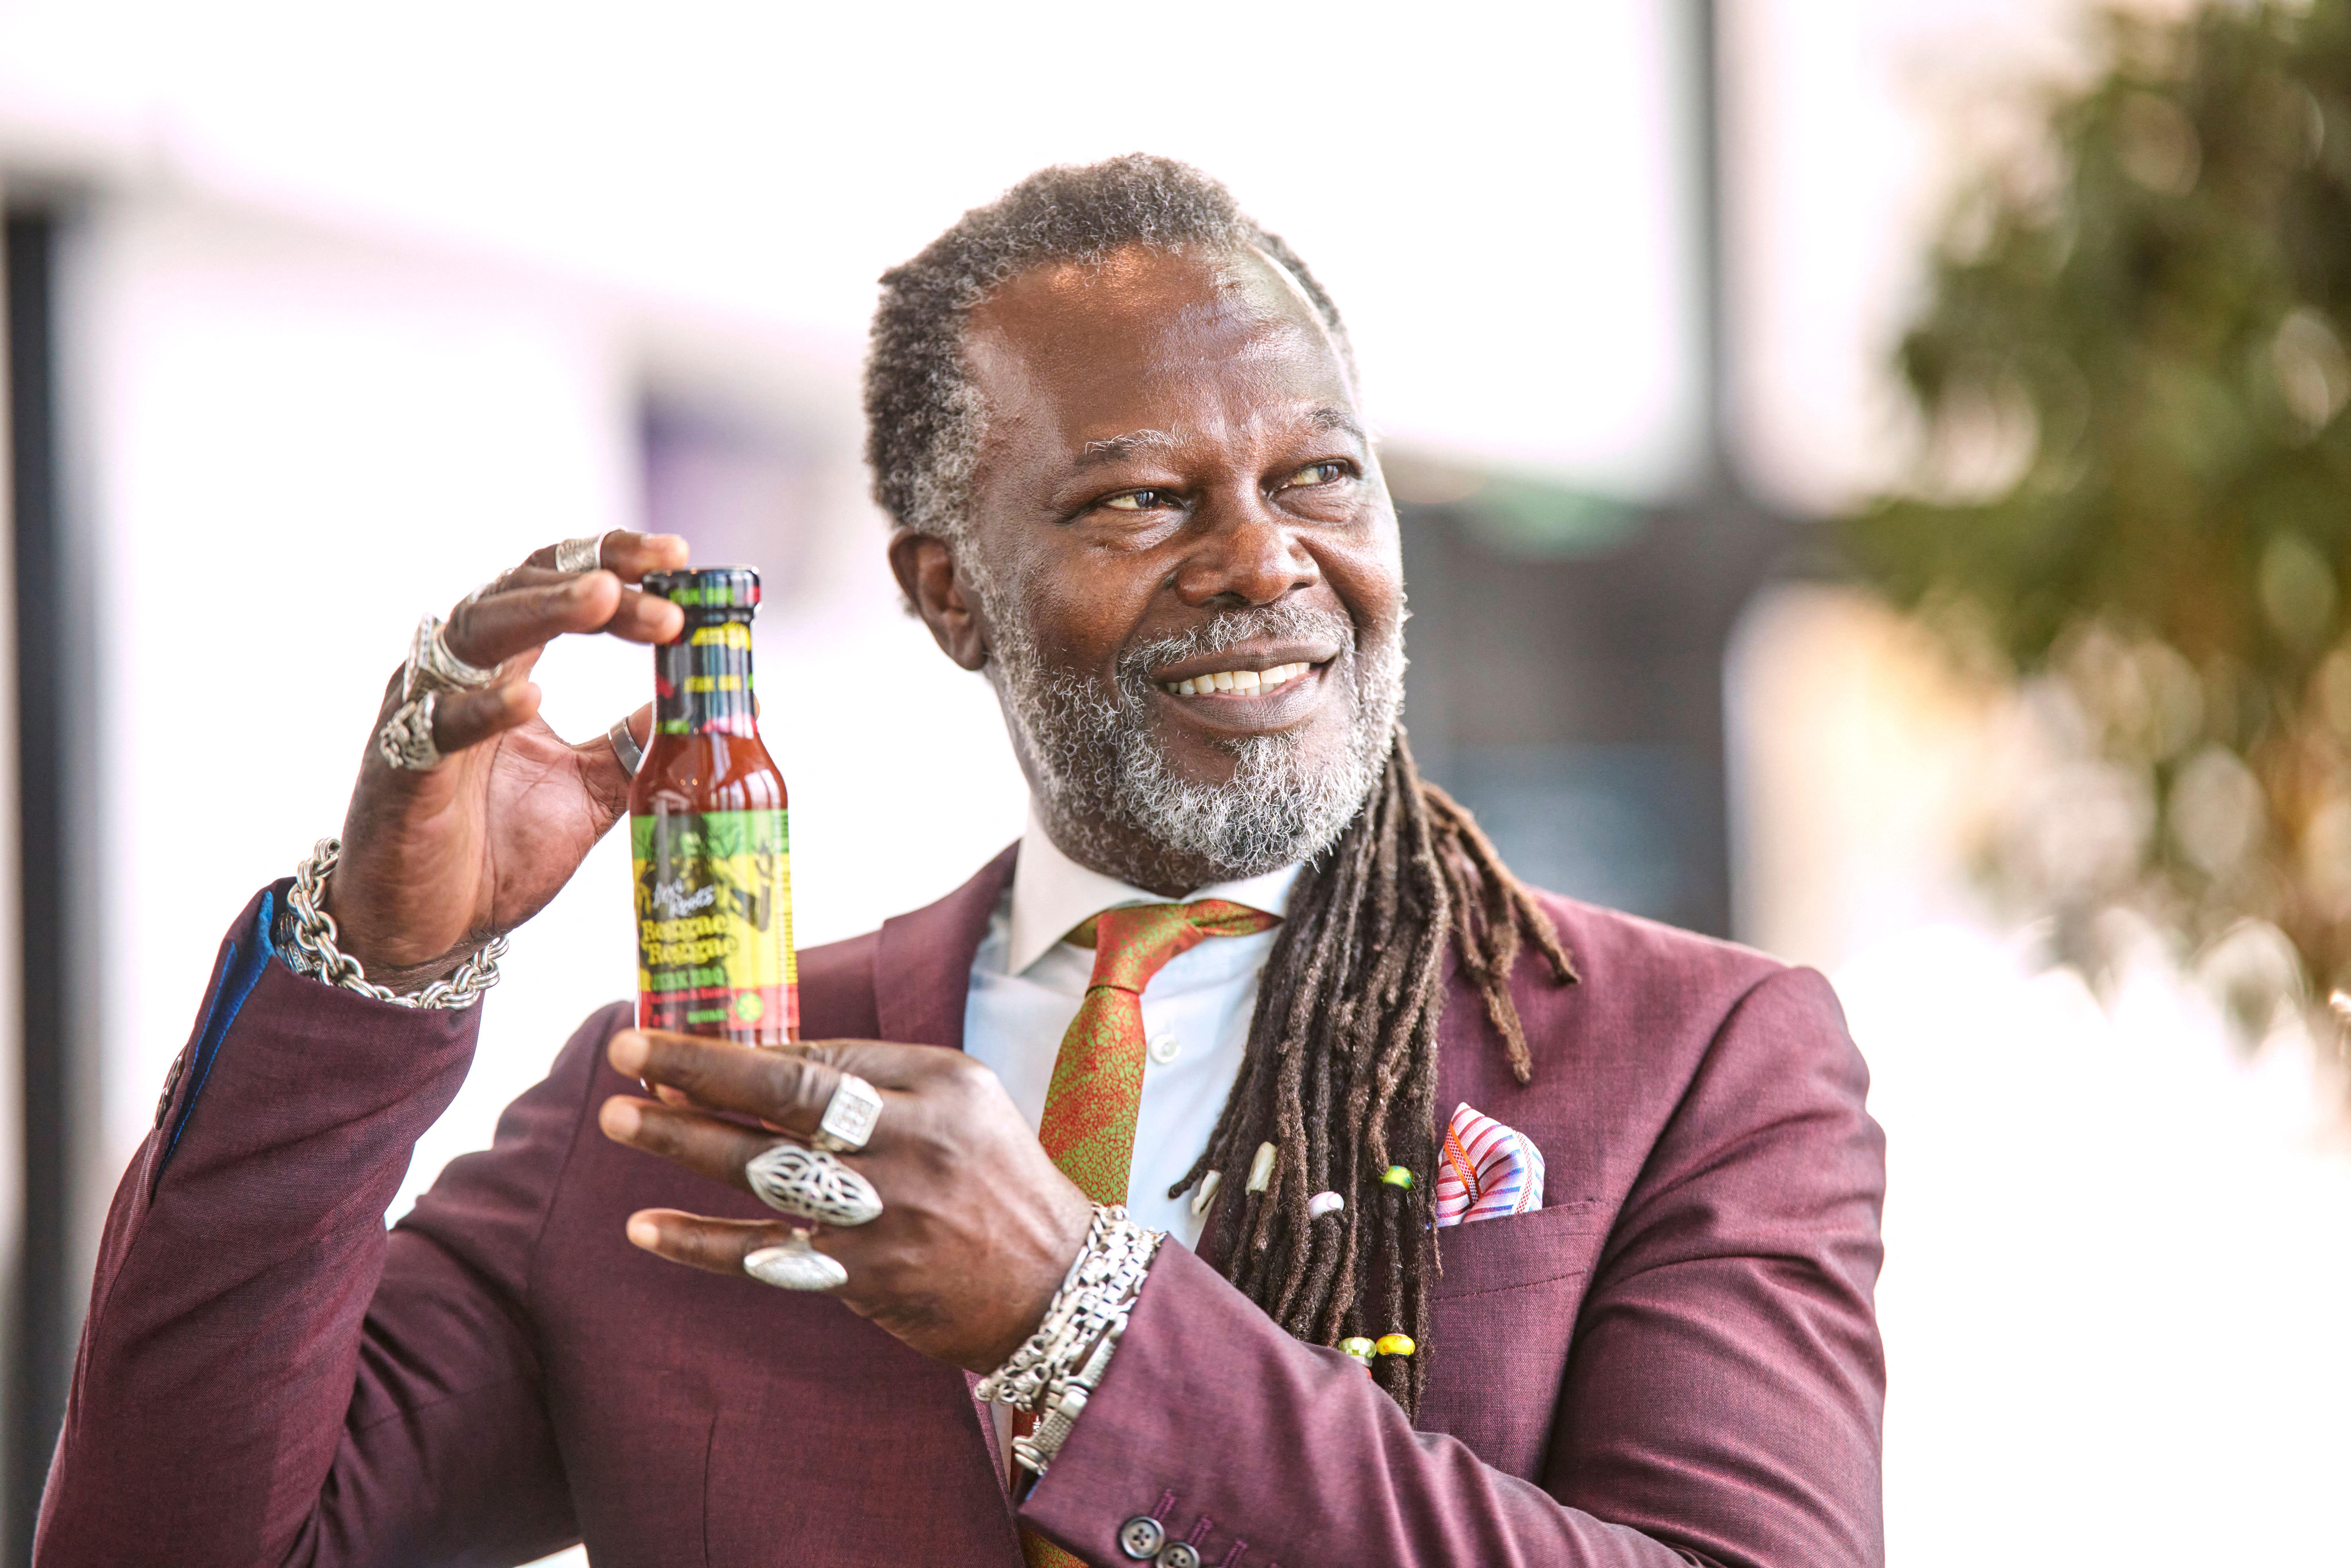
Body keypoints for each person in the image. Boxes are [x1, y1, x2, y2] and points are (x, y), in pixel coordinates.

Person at [34, 156, 1885, 1567]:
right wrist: (378, 962)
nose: (1263, 559)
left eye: (1319, 476)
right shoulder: (684, 1099)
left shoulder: (1695, 1060)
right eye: (1140, 499)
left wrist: (1073, 1315)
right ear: (946, 592)